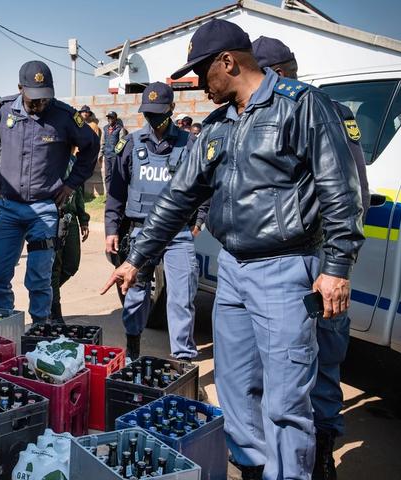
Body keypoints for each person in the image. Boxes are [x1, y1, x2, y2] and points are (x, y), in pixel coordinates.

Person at [102, 19, 364, 480]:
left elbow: (342, 192)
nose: (201, 85)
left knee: (286, 400)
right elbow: (178, 198)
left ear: (229, 62)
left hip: (286, 270)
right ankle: (251, 471)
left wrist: (338, 266)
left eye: (204, 73)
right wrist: (136, 258)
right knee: (236, 389)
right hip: (233, 273)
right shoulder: (218, 126)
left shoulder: (303, 108)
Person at [253, 35, 370, 480]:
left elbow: (352, 185)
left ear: (277, 74)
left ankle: (317, 451)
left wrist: (335, 263)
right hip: (303, 253)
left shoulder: (320, 111)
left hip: (314, 254)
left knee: (314, 354)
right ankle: (303, 450)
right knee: (303, 357)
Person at [0, 60, 98, 323]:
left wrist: (71, 184)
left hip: (44, 210)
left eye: (45, 98)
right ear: (20, 88)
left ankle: (40, 332)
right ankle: (5, 327)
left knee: (39, 278)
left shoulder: (65, 116)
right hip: (9, 208)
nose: (40, 104)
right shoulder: (2, 111)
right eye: (34, 99)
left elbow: (91, 146)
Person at [104, 82, 198, 363]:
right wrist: (111, 228)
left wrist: (200, 219)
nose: (153, 119)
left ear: (172, 108)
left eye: (159, 112)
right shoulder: (130, 143)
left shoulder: (190, 144)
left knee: (182, 296)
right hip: (140, 230)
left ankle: (182, 358)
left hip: (177, 232)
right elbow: (117, 191)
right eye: (148, 113)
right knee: (135, 293)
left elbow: (205, 186)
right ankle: (133, 349)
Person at [50, 156, 90, 323]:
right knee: (55, 267)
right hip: (53, 218)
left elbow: (78, 191)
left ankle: (45, 294)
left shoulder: (74, 160)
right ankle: (55, 312)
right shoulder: (48, 157)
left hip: (71, 218)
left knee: (71, 265)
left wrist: (83, 219)